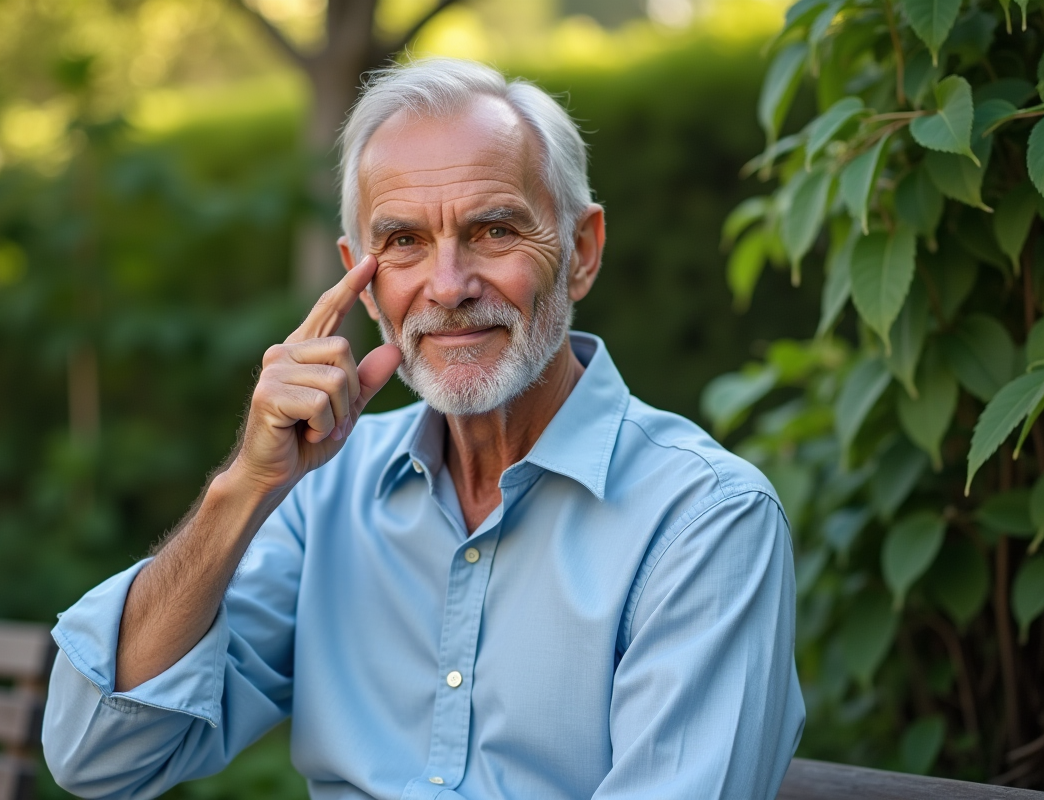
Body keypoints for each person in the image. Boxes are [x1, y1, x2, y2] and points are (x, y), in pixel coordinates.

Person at [42, 57, 805, 800]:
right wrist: (245, 488)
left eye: (495, 230)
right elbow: (101, 756)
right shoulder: (322, 492)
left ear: (580, 252)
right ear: (363, 282)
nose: (448, 286)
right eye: (404, 242)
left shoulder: (705, 521)